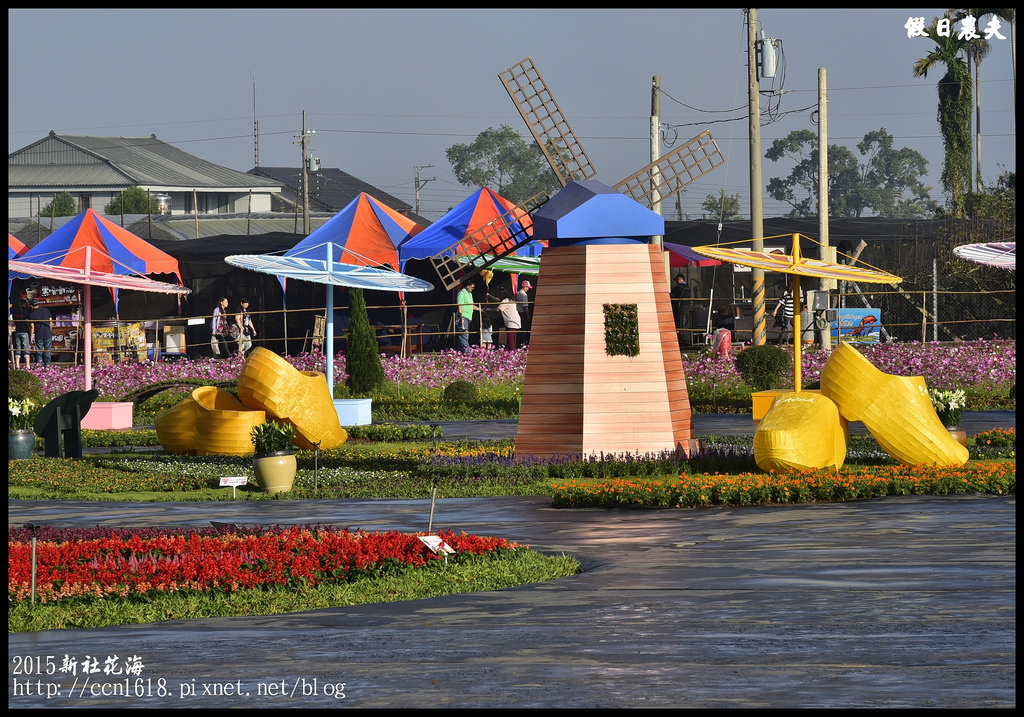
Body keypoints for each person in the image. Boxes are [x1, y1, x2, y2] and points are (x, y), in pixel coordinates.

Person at [27, 298, 53, 367]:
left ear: (32, 306)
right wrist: (50, 330)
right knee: (48, 350)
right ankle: (47, 365)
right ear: (38, 304)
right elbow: (51, 321)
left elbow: (32, 327)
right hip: (48, 333)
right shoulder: (46, 310)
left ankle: (39, 366)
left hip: (39, 334)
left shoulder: (31, 315)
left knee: (39, 351)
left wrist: (31, 337)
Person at [455, 279, 478, 354]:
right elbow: (460, 305)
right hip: (463, 316)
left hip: (468, 317)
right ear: (467, 286)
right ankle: (468, 352)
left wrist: (480, 309)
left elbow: (472, 305)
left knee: (462, 335)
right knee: (464, 334)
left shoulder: (470, 294)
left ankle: (459, 351)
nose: (473, 289)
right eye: (472, 287)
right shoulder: (462, 293)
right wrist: (461, 317)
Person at [498, 285, 522, 350]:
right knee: (512, 336)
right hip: (515, 319)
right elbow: (499, 300)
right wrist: (490, 296)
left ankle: (512, 350)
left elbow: (498, 309)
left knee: (510, 336)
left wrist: (486, 309)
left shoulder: (505, 301)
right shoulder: (510, 300)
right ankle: (512, 349)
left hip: (511, 321)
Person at [11, 299, 32, 369]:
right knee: (26, 348)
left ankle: (17, 365)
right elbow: (29, 323)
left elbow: (13, 323)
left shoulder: (15, 313)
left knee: (18, 348)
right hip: (24, 332)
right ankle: (28, 365)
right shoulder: (25, 313)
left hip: (17, 332)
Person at [670, 274, 690, 343]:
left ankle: (683, 338)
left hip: (681, 306)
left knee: (681, 322)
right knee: (686, 322)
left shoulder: (679, 287)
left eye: (677, 280)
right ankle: (687, 337)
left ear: (680, 279)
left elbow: (672, 294)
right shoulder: (688, 287)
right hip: (688, 306)